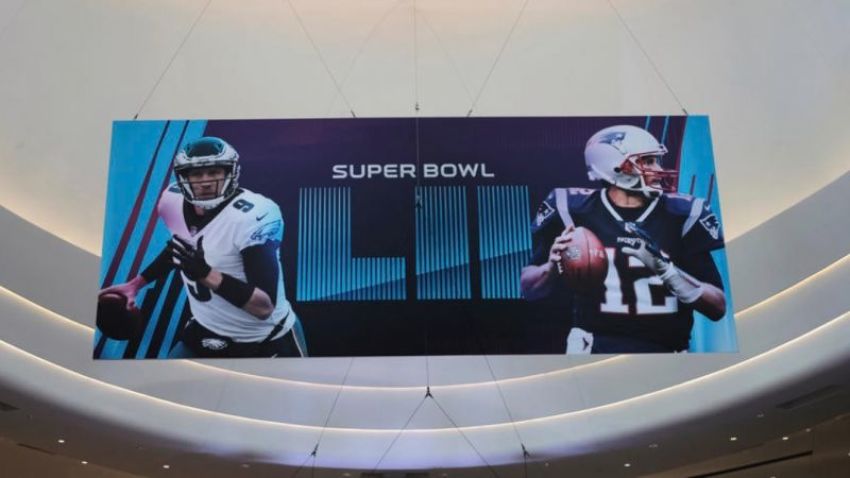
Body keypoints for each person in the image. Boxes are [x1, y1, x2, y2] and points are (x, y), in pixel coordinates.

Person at [521, 125, 726, 353]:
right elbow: (529, 290)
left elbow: (717, 306)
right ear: (616, 167)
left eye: (655, 160)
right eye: (647, 161)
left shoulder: (682, 214)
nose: (658, 168)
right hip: (593, 348)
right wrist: (551, 267)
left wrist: (668, 272)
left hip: (667, 352)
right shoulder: (572, 210)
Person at [100, 136, 307, 358]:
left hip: (265, 339)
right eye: (197, 174)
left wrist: (205, 273)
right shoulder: (172, 200)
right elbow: (180, 249)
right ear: (183, 178)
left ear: (230, 173)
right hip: (205, 328)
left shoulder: (256, 215)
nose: (206, 181)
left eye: (214, 172)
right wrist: (136, 284)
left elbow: (264, 307)